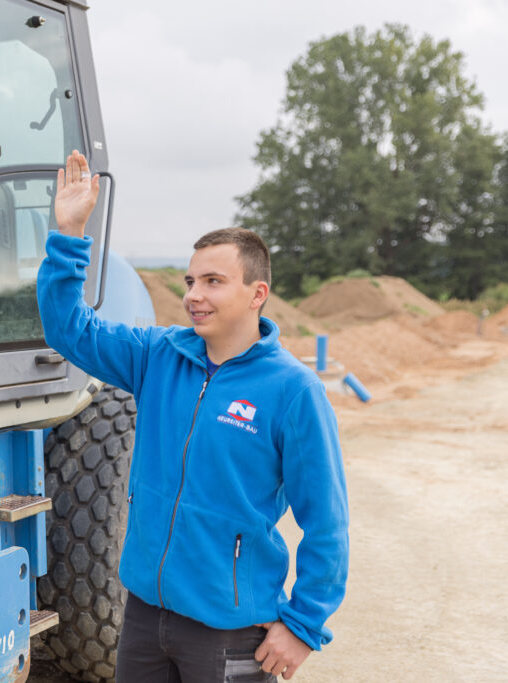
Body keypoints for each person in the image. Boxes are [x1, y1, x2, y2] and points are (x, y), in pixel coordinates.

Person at [37, 152, 349, 681]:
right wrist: (69, 233)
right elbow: (69, 330)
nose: (194, 296)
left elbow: (326, 520)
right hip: (144, 616)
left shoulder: (294, 390)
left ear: (257, 294)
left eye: (212, 281)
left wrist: (303, 624)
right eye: (190, 281)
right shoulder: (159, 356)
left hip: (229, 631)